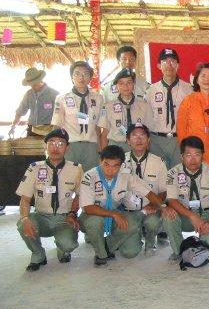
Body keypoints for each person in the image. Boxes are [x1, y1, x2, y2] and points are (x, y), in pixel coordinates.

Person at [79, 144, 166, 266]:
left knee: (131, 248)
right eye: (106, 165)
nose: (110, 170)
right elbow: (88, 208)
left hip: (114, 212)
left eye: (115, 166)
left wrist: (163, 207)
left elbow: (148, 193)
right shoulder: (89, 176)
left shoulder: (126, 174)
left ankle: (107, 244)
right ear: (100, 161)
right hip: (93, 215)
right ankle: (101, 254)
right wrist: (113, 214)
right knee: (95, 223)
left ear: (121, 165)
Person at [15, 129, 83, 271]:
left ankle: (62, 249)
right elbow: (25, 198)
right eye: (51, 143)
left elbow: (79, 195)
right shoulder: (34, 168)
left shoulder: (76, 169)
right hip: (41, 217)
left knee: (68, 244)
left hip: (64, 218)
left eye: (60, 144)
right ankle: (38, 254)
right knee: (23, 224)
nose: (55, 148)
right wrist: (25, 218)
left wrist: (72, 214)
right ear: (45, 146)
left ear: (67, 148)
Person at [164, 136, 209, 259]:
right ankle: (179, 251)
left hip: (206, 214)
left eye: (197, 154)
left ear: (203, 155)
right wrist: (192, 216)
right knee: (168, 216)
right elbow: (172, 200)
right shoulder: (172, 173)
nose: (193, 159)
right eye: (188, 155)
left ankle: (202, 247)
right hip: (184, 214)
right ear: (181, 156)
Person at [121, 123, 167, 253]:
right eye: (134, 136)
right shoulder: (120, 161)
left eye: (142, 135)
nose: (139, 139)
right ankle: (134, 236)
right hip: (128, 210)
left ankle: (150, 240)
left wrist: (154, 205)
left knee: (152, 222)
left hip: (151, 209)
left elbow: (164, 191)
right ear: (128, 141)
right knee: (129, 253)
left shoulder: (159, 162)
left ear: (148, 140)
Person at [145, 48, 192, 169]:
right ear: (159, 65)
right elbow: (146, 118)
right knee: (158, 175)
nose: (169, 64)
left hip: (179, 140)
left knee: (179, 175)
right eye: (165, 61)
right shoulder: (151, 91)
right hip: (157, 141)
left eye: (173, 61)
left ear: (178, 65)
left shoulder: (188, 89)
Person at [51, 61, 103, 170]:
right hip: (70, 147)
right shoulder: (62, 98)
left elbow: (98, 127)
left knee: (91, 178)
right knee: (69, 179)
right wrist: (57, 148)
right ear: (71, 77)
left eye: (85, 74)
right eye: (77, 74)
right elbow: (57, 126)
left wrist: (100, 150)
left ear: (90, 78)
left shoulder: (98, 98)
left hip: (91, 147)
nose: (81, 77)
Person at [176, 63, 209, 171]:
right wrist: (186, 153)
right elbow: (181, 130)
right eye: (203, 76)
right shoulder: (188, 101)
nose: (206, 79)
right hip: (194, 157)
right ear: (197, 80)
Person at [98, 68, 153, 152]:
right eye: (121, 83)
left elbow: (148, 132)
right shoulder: (107, 107)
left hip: (138, 147)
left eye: (129, 82)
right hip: (115, 147)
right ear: (117, 86)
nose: (125, 86)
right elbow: (104, 134)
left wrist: (146, 153)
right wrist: (103, 155)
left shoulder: (144, 106)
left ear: (134, 84)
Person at [9, 67, 59, 138]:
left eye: (34, 84)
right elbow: (20, 112)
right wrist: (13, 126)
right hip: (31, 129)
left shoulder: (54, 94)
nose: (32, 86)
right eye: (30, 85)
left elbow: (60, 114)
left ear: (40, 80)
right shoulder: (28, 94)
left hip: (48, 130)